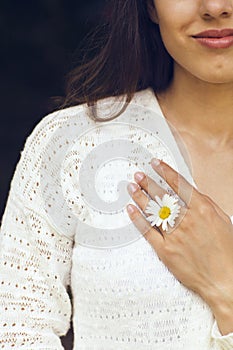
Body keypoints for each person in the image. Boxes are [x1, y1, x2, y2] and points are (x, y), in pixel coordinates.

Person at [0, 0, 233, 349]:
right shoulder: (72, 144)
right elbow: (18, 328)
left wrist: (224, 284)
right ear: (150, 7)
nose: (215, 7)